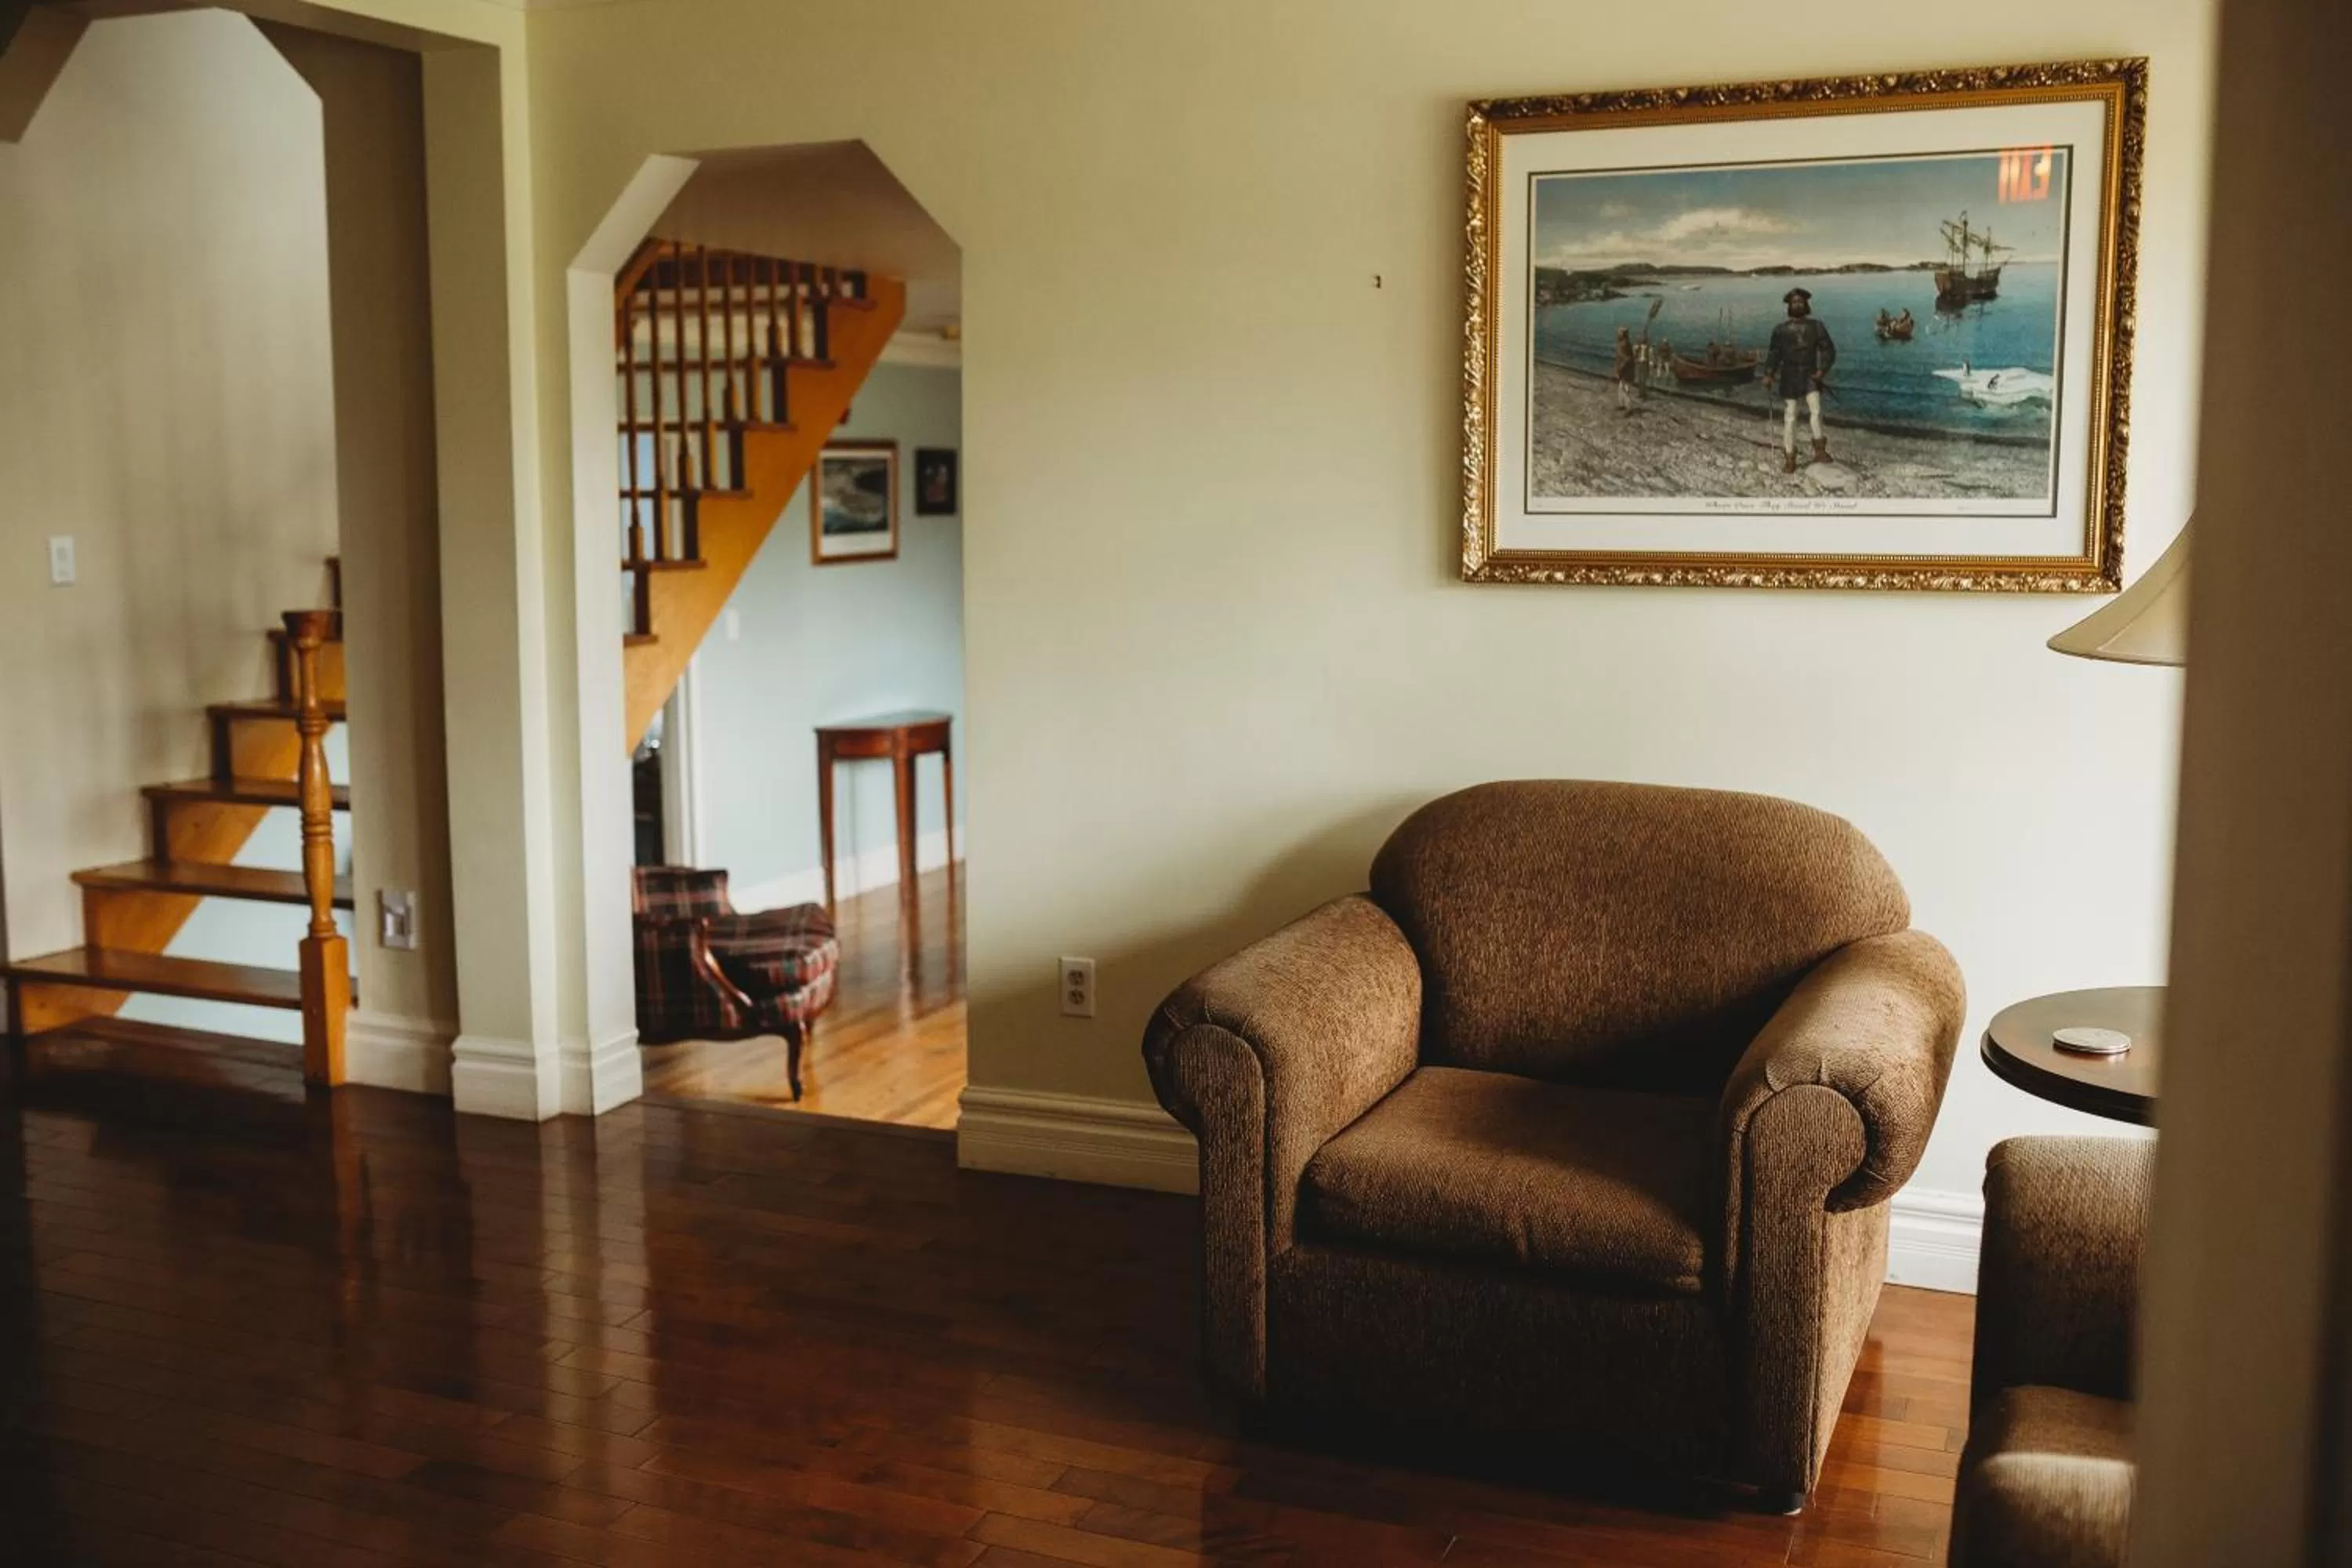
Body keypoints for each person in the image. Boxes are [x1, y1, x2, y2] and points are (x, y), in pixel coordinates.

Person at [1759, 286, 1836, 473]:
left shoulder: (1816, 326)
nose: (1798, 305)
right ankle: (1790, 457)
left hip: (1811, 375)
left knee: (1816, 411)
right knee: (1791, 417)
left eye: (1801, 302)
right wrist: (1769, 374)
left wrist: (1821, 371)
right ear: (1789, 306)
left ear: (1806, 304)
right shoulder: (1780, 330)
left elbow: (1828, 349)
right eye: (1794, 302)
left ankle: (1820, 451)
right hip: (1789, 376)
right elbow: (1774, 354)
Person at [1612, 325, 1638, 413]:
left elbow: (1626, 358)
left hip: (1626, 370)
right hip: (1625, 369)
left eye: (1619, 333)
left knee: (1625, 389)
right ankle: (1622, 405)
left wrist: (1620, 368)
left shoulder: (1624, 344)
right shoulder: (1625, 344)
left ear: (1623, 335)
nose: (1618, 334)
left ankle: (1629, 407)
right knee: (1621, 388)